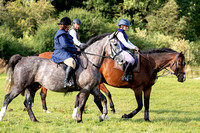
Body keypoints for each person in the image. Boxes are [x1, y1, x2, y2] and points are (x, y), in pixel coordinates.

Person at [51, 17, 81, 88]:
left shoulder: (65, 32)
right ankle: (66, 82)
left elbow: (69, 44)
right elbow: (65, 46)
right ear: (65, 25)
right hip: (60, 53)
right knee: (72, 62)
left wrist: (75, 48)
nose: (69, 26)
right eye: (68, 25)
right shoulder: (61, 34)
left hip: (65, 52)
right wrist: (75, 49)